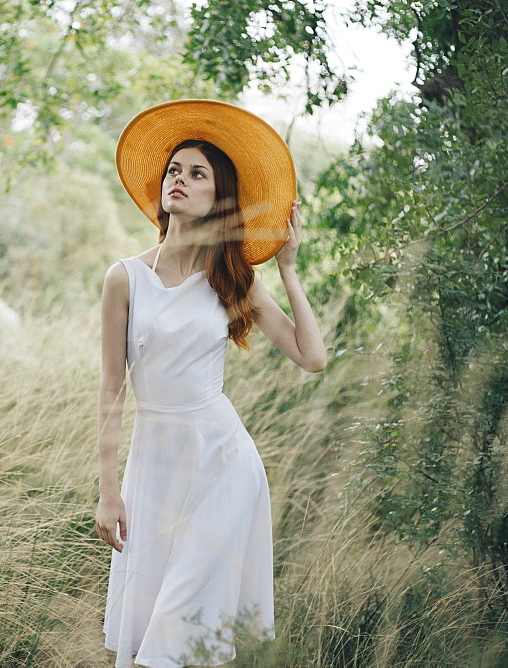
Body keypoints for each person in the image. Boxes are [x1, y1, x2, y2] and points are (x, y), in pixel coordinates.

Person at [96, 99, 327, 667]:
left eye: (197, 174)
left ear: (217, 198)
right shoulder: (124, 278)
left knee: (179, 627)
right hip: (154, 465)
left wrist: (289, 269)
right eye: (175, 169)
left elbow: (312, 356)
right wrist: (107, 491)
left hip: (222, 463)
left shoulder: (232, 280)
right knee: (155, 618)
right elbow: (110, 391)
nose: (180, 178)